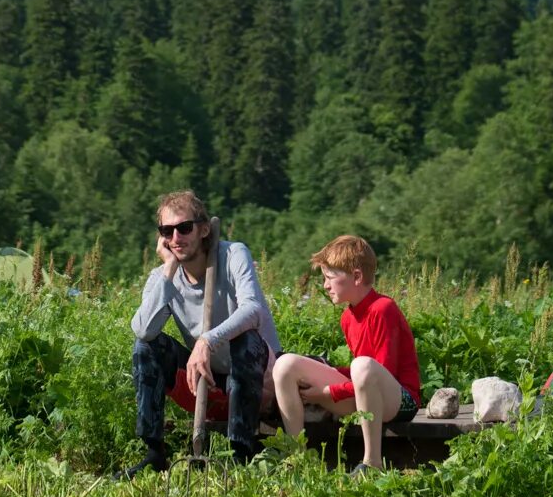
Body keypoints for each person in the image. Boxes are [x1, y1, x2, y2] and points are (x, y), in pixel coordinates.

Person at [119, 189, 281, 475]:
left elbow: (253, 310)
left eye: (184, 228)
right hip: (206, 380)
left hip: (259, 377)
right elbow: (143, 330)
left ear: (204, 229)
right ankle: (154, 453)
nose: (176, 238)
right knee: (146, 347)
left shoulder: (233, 255)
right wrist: (169, 269)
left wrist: (208, 339)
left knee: (244, 338)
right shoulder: (161, 277)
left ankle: (240, 453)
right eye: (166, 231)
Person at [271, 234, 422, 474]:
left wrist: (327, 392)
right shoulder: (347, 317)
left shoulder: (383, 309)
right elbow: (360, 374)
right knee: (285, 365)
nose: (325, 286)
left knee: (362, 366)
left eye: (330, 277)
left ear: (357, 276)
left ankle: (372, 463)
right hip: (366, 393)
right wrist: (327, 373)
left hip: (399, 400)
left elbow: (381, 371)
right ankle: (296, 459)